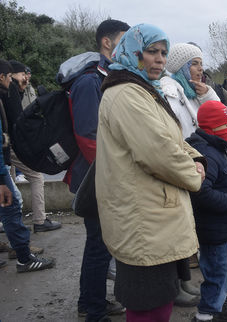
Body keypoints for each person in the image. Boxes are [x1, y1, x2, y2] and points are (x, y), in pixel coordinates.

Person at [95, 24, 205, 321]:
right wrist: (194, 173)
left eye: (164, 53)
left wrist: (197, 158)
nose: (159, 59)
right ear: (133, 52)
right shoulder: (127, 94)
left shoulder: (144, 89)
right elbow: (159, 152)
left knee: (159, 302)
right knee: (149, 307)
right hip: (144, 220)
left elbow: (175, 138)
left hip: (154, 217)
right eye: (151, 51)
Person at [64, 19, 130, 321]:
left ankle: (90, 301)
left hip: (99, 174)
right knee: (99, 245)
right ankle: (92, 308)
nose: (128, 48)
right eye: (123, 41)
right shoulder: (89, 81)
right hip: (94, 177)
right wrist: (113, 174)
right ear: (107, 42)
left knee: (100, 243)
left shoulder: (103, 76)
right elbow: (88, 136)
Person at [186, 100, 227, 322]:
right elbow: (200, 190)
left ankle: (220, 306)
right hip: (212, 229)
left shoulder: (215, 148)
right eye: (225, 126)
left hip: (217, 229)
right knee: (216, 271)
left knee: (221, 270)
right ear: (211, 128)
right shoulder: (207, 153)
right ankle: (206, 314)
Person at [0, 59, 54, 273]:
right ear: (4, 77)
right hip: (5, 158)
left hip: (5, 156)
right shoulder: (7, 93)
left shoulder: (10, 92)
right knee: (12, 204)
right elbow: (15, 120)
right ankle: (23, 256)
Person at [161, 43, 220, 140]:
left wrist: (207, 96)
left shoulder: (196, 92)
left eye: (201, 64)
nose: (201, 69)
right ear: (182, 67)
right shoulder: (169, 93)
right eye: (194, 63)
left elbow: (222, 118)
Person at [206, 72, 227, 143]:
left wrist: (225, 142)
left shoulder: (220, 91)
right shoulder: (179, 90)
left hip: (217, 146)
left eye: (199, 63)